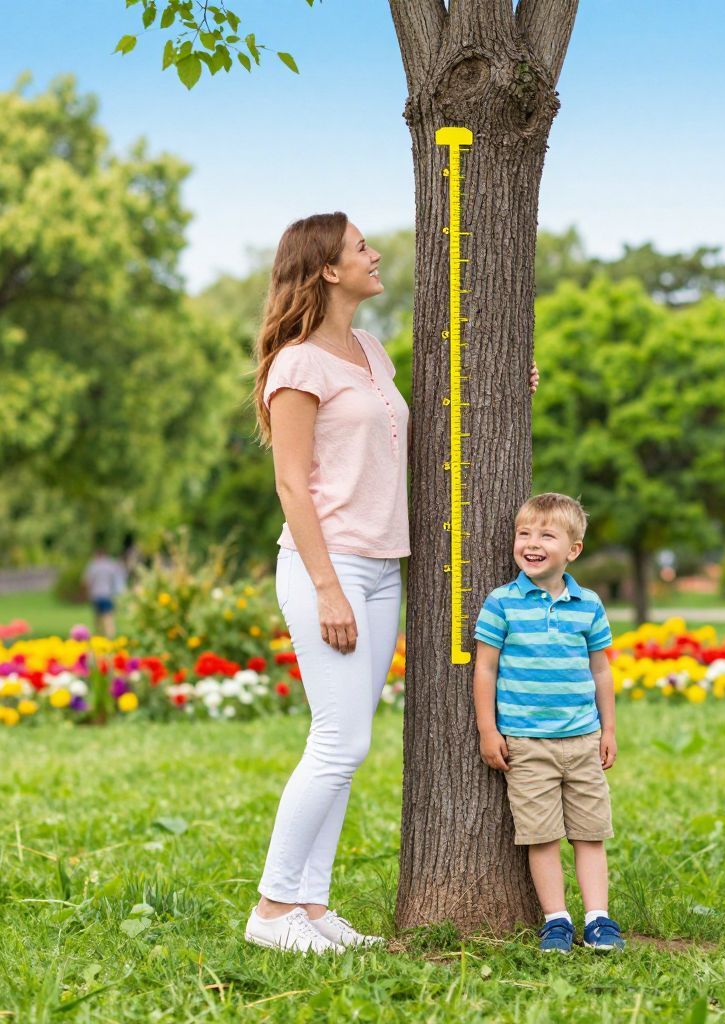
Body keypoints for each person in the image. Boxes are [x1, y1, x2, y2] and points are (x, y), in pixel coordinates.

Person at [243, 212, 538, 955]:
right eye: (361, 248)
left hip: (380, 568)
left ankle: (312, 908)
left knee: (347, 744)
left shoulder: (370, 351)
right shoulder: (297, 365)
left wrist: (510, 388)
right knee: (337, 743)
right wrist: (327, 587)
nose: (376, 255)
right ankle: (272, 910)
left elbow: (420, 437)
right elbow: (290, 484)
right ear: (328, 271)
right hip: (328, 567)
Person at [472, 493, 623, 954]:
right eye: (524, 534)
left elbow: (601, 670)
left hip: (582, 738)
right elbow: (485, 669)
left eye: (546, 535)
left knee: (589, 832)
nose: (532, 543)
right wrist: (487, 729)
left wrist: (609, 729)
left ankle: (598, 918)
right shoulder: (502, 603)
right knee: (541, 835)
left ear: (573, 550)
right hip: (526, 742)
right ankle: (556, 920)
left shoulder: (588, 605)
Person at [83, 547, 128, 638]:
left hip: (96, 595)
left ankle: (99, 638)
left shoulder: (93, 565)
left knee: (98, 619)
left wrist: (87, 593)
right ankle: (109, 638)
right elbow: (118, 580)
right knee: (108, 619)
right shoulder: (111, 565)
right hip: (107, 595)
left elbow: (86, 582)